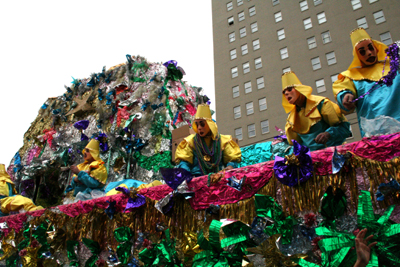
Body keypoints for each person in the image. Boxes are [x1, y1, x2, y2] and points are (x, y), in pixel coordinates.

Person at [333, 27, 399, 137]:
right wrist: (345, 96)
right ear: (358, 56)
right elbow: (343, 91)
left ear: (376, 48)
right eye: (362, 52)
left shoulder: (395, 67)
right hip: (376, 135)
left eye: (370, 48)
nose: (368, 53)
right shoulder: (350, 77)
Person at [282, 71, 351, 151]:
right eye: (284, 92)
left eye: (290, 89)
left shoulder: (322, 104)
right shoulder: (291, 120)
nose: (286, 93)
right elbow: (296, 145)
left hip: (335, 154)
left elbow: (344, 128)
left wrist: (328, 134)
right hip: (312, 160)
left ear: (299, 89)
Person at [174, 104, 241, 177]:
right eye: (197, 124)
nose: (199, 128)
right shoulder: (190, 142)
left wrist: (230, 166)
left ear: (210, 125)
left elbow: (231, 160)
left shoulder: (223, 141)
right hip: (197, 181)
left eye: (202, 124)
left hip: (218, 180)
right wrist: (186, 174)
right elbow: (184, 163)